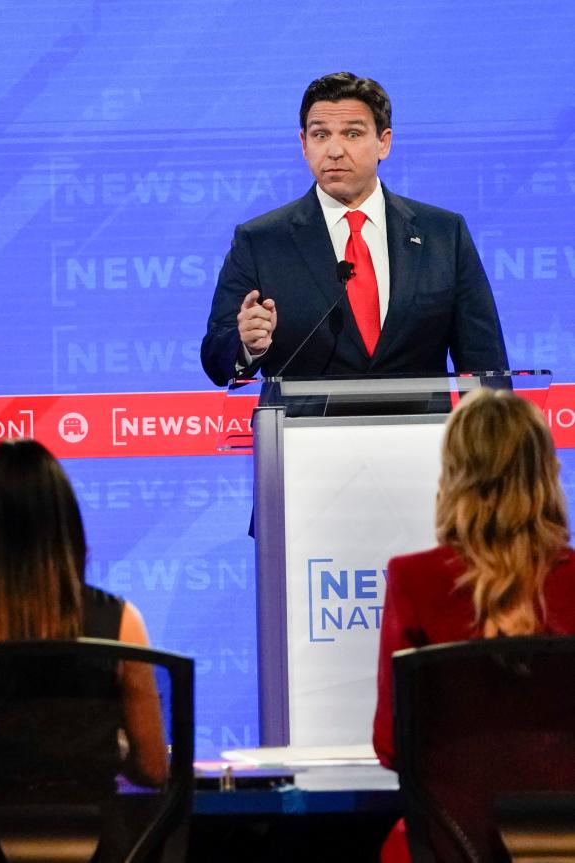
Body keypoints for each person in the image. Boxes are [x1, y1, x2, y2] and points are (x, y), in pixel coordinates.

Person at [0, 439, 167, 789]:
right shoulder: (123, 622)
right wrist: (103, 750)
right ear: (68, 525)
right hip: (100, 842)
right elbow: (155, 767)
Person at [200, 72, 508, 387]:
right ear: (304, 144)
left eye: (352, 134)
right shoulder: (261, 240)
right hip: (304, 432)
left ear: (383, 142)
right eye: (320, 135)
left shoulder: (443, 234)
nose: (334, 150)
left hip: (419, 431)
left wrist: (494, 434)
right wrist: (248, 347)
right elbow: (215, 358)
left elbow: (485, 362)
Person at [372, 387, 575, 859]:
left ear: (454, 475)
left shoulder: (414, 579)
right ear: (546, 472)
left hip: (451, 849)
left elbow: (391, 746)